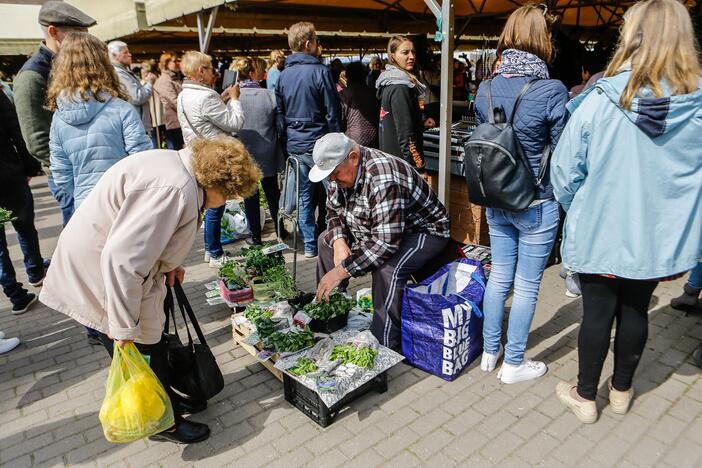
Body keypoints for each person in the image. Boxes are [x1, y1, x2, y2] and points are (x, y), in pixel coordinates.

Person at [39, 136, 261, 443]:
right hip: (104, 277)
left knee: (153, 347)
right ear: (217, 184)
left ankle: (165, 400)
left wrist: (169, 263)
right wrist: (121, 325)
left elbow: (147, 239)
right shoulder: (175, 191)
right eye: (229, 195)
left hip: (111, 268)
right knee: (143, 352)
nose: (227, 201)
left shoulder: (179, 171)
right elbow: (122, 260)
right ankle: (160, 424)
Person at [551, 0, 702, 424]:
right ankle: (620, 390)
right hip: (657, 234)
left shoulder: (599, 100)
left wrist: (583, 205)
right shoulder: (697, 106)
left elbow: (564, 172)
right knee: (636, 309)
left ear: (631, 36)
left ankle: (585, 397)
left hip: (602, 227)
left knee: (597, 314)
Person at [474, 5, 568, 384]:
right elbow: (563, 150)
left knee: (499, 279)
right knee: (527, 285)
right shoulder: (551, 90)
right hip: (536, 201)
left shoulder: (487, 85)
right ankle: (513, 363)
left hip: (497, 198)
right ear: (543, 38)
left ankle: (488, 351)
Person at [312, 133, 451, 350]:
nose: (332, 180)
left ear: (354, 157)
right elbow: (332, 210)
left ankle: (384, 345)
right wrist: (339, 241)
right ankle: (331, 313)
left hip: (422, 233)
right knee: (325, 241)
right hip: (379, 229)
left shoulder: (383, 178)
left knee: (387, 269)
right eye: (329, 175)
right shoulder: (339, 174)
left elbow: (385, 245)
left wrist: (341, 271)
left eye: (335, 174)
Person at [47, 32, 152, 209]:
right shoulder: (121, 109)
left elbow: (60, 174)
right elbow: (142, 160)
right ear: (103, 63)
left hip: (86, 207)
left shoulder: (58, 118)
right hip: (125, 204)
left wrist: (84, 194)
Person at [14, 1, 96, 227]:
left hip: (92, 172)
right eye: (78, 33)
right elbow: (37, 141)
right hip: (70, 179)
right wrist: (69, 174)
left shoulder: (76, 66)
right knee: (83, 245)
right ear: (53, 32)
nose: (84, 40)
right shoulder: (32, 76)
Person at [276, 21, 342, 258]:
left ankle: (310, 246)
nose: (318, 45)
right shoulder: (320, 71)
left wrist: (287, 142)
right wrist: (338, 140)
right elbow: (332, 111)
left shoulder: (283, 75)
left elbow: (280, 114)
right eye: (315, 41)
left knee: (304, 196)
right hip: (320, 143)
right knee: (334, 195)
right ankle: (339, 241)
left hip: (296, 144)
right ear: (308, 43)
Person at [177, 50, 244, 267]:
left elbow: (204, 116)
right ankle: (214, 253)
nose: (213, 71)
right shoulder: (206, 96)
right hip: (213, 156)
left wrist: (221, 97)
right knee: (216, 204)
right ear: (200, 71)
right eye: (209, 68)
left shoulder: (183, 94)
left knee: (208, 204)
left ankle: (210, 249)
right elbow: (234, 123)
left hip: (195, 153)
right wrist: (234, 100)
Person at [0, 82, 43, 323]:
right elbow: (15, 129)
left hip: (8, 176)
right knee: (24, 227)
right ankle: (34, 271)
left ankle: (15, 293)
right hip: (8, 178)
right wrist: (29, 166)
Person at [231, 57, 284, 245]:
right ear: (253, 72)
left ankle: (256, 237)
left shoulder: (233, 98)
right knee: (272, 193)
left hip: (244, 153)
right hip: (268, 150)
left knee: (250, 196)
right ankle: (280, 230)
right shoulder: (269, 95)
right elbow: (280, 125)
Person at [376, 36, 432, 170]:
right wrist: (418, 166)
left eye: (413, 52)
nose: (411, 56)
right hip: (403, 166)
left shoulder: (388, 82)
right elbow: (406, 134)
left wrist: (420, 123)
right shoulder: (400, 88)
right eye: (405, 52)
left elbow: (396, 124)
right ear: (393, 56)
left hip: (391, 159)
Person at [108, 40, 156, 147]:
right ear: (114, 55)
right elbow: (137, 97)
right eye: (125, 52)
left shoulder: (122, 71)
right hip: (135, 125)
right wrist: (149, 84)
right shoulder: (119, 73)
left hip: (136, 124)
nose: (129, 54)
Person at [341, 62, 380, 148]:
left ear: (347, 76)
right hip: (373, 135)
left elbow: (341, 117)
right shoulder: (371, 92)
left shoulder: (345, 93)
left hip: (353, 137)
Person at [154, 52, 184, 150]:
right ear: (166, 64)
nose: (178, 63)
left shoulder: (174, 78)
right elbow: (174, 101)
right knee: (177, 152)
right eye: (174, 61)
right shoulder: (164, 81)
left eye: (178, 60)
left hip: (178, 121)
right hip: (173, 123)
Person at [140, 59, 164, 149]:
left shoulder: (147, 83)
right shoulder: (148, 82)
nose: (141, 71)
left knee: (156, 140)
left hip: (154, 116)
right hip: (157, 116)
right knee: (156, 139)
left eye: (143, 68)